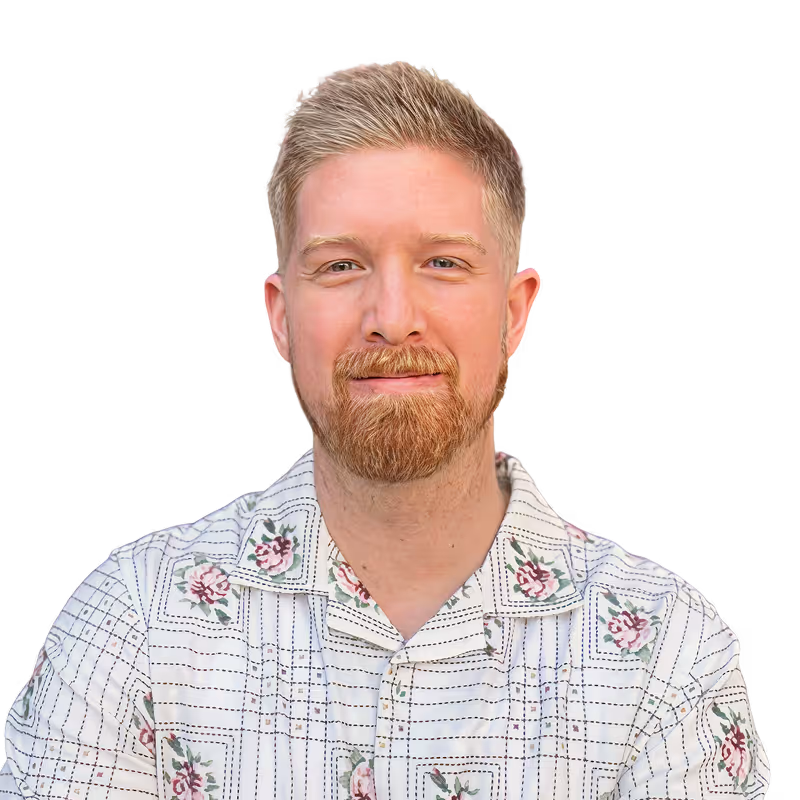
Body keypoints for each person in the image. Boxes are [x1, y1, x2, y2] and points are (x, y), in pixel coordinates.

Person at [1, 60, 770, 799]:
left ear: (513, 312)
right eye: (340, 267)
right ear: (280, 316)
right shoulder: (129, 628)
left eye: (442, 263)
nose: (392, 318)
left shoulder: (667, 656)